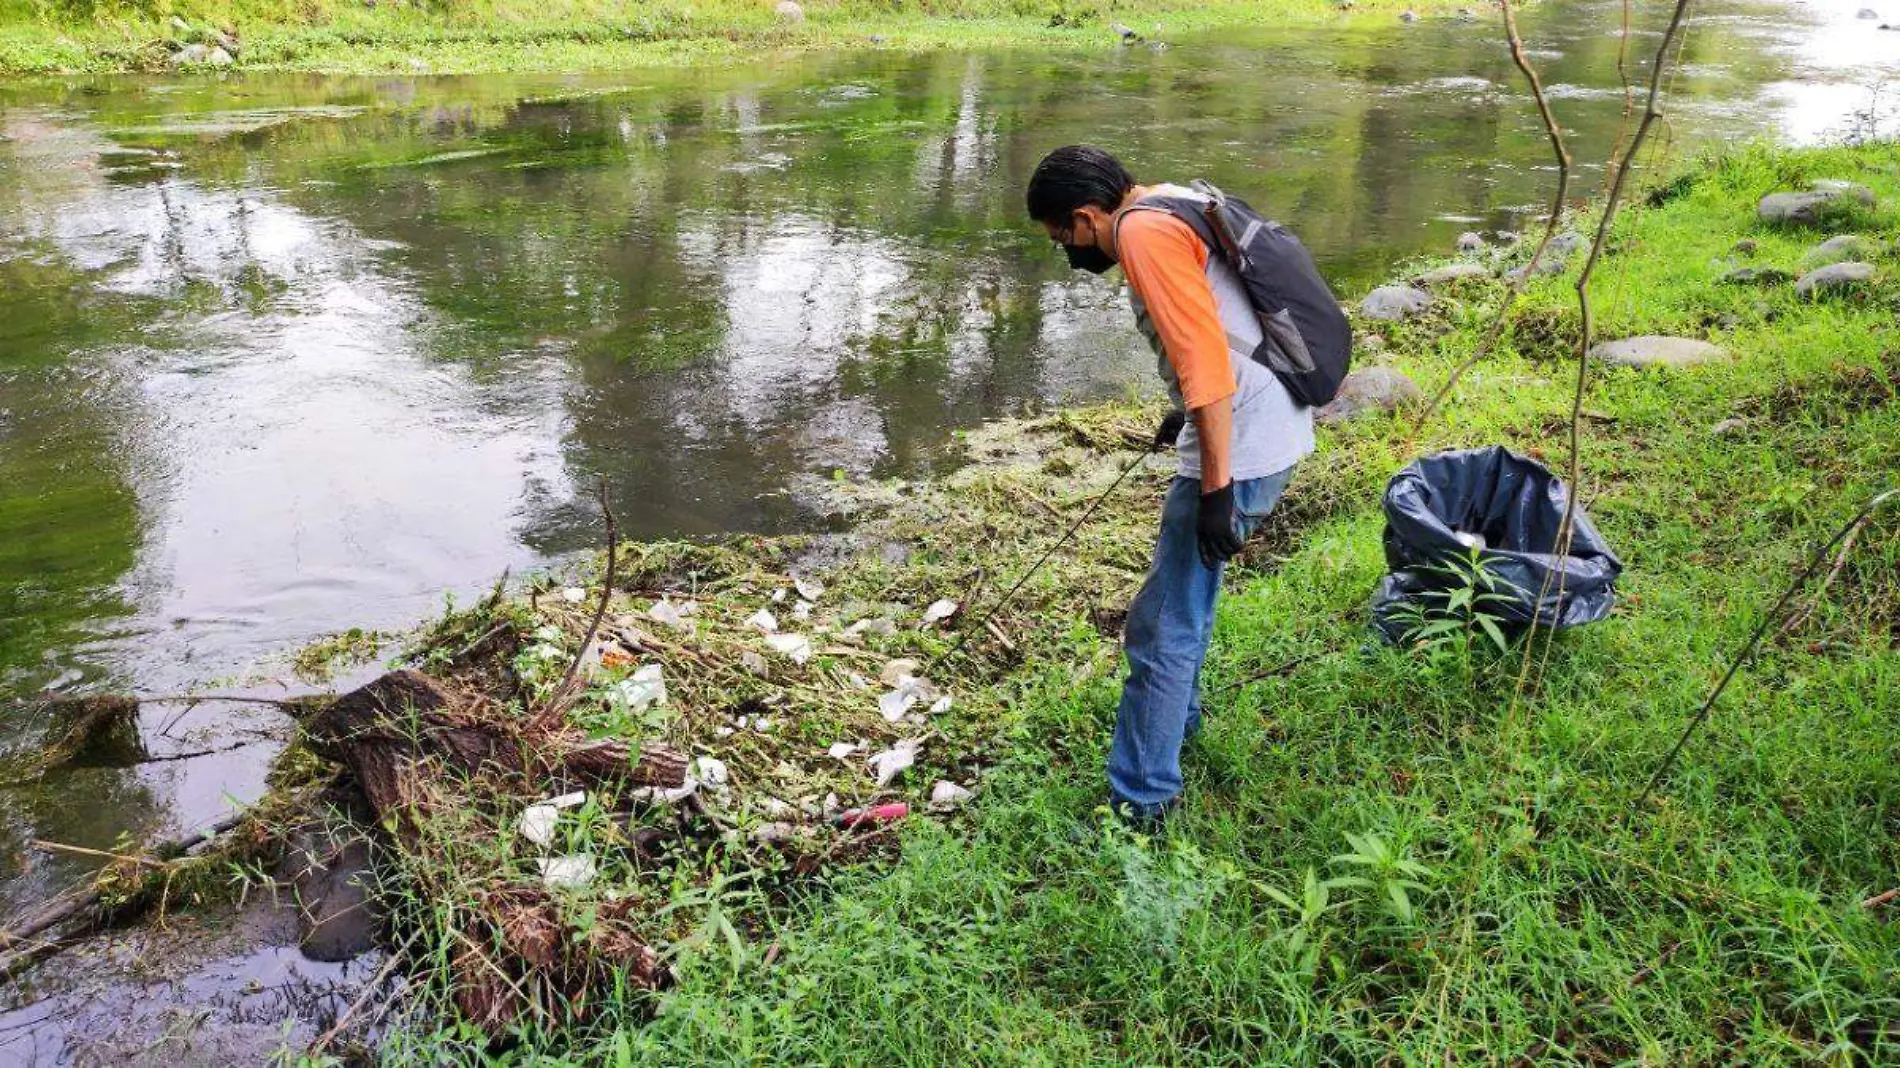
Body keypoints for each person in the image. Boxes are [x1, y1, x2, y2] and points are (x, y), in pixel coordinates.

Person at [1025, 145, 1314, 827]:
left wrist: (1216, 490)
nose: (1068, 254)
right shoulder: (1168, 197)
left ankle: (1141, 802)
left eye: (1062, 237)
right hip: (1271, 419)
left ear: (1088, 215)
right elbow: (1218, 319)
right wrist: (1181, 410)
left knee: (1162, 628)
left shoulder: (1140, 234)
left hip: (1242, 439)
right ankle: (1175, 731)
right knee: (1184, 603)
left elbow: (1207, 364)